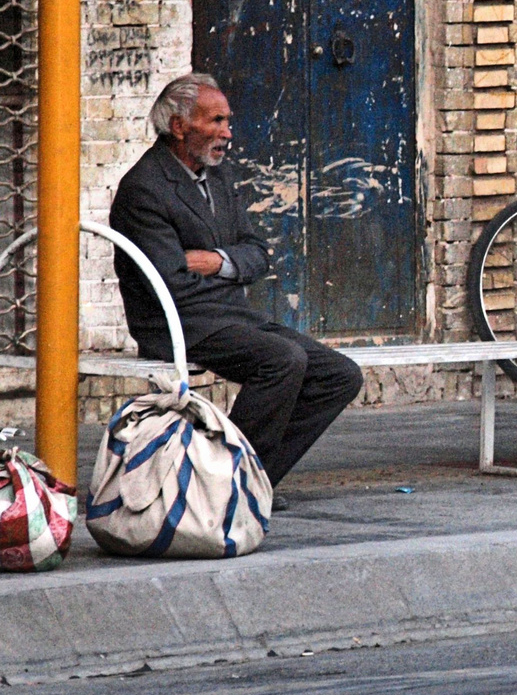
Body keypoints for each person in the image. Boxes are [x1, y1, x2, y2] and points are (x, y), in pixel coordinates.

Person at [109, 74, 363, 488]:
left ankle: (252, 479)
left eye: (228, 122)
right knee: (282, 360)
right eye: (216, 121)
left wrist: (215, 261)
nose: (227, 133)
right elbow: (171, 282)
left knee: (339, 374)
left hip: (229, 315)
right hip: (177, 322)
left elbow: (258, 251)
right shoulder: (144, 188)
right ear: (179, 126)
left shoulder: (219, 177)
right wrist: (227, 267)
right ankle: (223, 481)